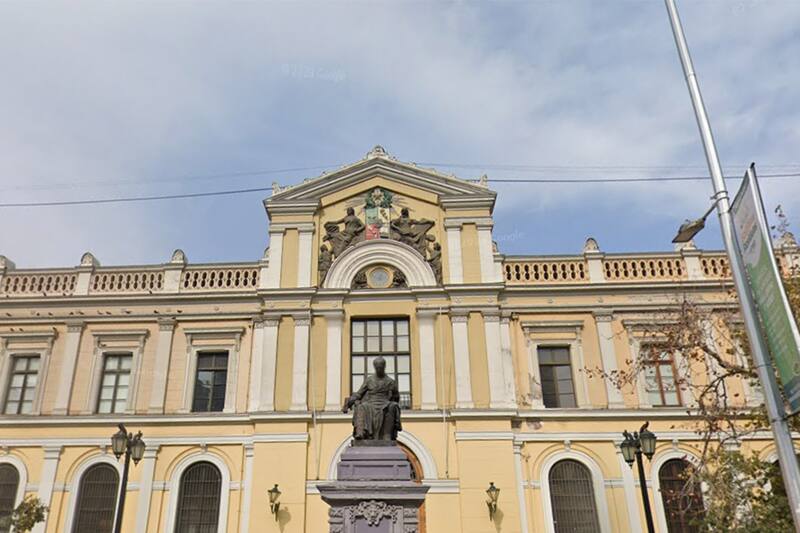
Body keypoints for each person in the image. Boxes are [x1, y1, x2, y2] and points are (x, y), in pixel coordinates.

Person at [342, 356, 402, 441]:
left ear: (384, 367)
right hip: (371, 403)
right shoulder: (369, 380)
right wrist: (348, 403)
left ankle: (386, 434)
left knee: (393, 406)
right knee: (361, 407)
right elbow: (359, 394)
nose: (379, 369)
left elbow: (396, 397)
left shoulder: (391, 382)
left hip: (385, 402)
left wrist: (391, 401)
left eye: (381, 367)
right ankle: (361, 432)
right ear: (375, 367)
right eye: (377, 368)